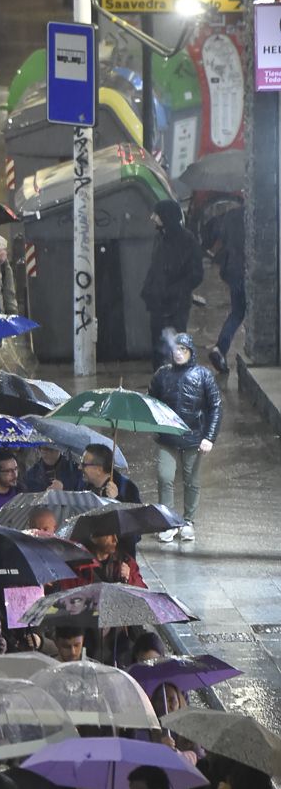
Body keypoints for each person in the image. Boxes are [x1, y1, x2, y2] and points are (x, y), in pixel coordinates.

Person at [148, 332, 221, 544]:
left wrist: (209, 437)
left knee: (192, 481)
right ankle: (168, 522)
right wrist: (155, 425)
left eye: (183, 349)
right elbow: (151, 401)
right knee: (165, 477)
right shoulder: (162, 375)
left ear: (191, 352)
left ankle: (188, 521)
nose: (178, 353)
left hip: (194, 437)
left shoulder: (203, 375)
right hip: (167, 437)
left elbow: (215, 406)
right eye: (175, 349)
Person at [141, 200, 204, 361]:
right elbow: (155, 268)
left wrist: (175, 291)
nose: (152, 218)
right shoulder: (160, 239)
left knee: (176, 346)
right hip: (157, 303)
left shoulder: (187, 241)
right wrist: (149, 290)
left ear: (166, 216)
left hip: (176, 305)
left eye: (157, 214)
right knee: (158, 347)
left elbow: (196, 274)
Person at [207, 201, 244, 375]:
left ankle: (220, 349)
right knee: (244, 312)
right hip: (248, 270)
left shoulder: (231, 216)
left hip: (233, 269)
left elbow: (219, 237)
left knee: (237, 312)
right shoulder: (258, 216)